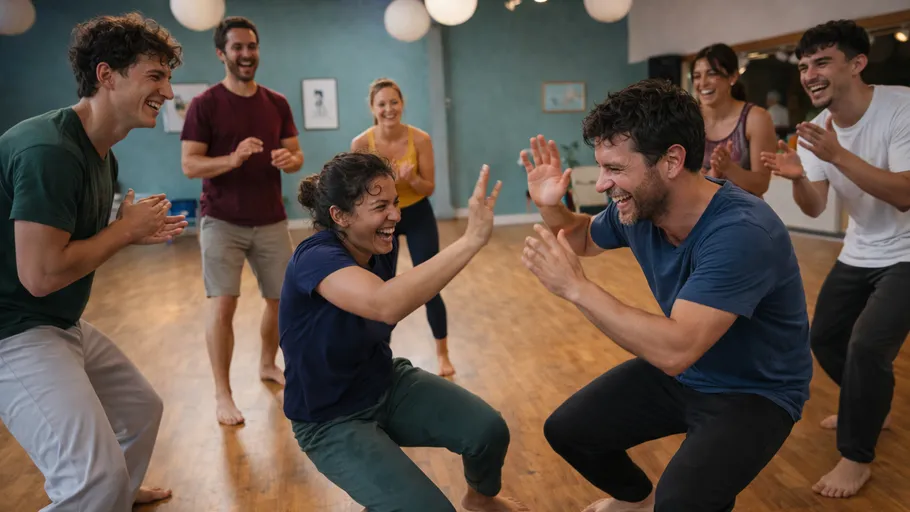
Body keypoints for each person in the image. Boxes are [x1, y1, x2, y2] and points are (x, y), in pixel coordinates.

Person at [522, 78, 813, 512]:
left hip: (755, 390)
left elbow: (677, 349)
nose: (602, 184)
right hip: (689, 373)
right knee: (569, 430)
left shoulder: (742, 232)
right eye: (602, 168)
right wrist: (549, 204)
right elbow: (581, 236)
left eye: (616, 169)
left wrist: (576, 288)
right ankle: (638, 502)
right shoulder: (638, 208)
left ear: (672, 160)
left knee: (681, 503)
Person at [0, 13, 186, 510]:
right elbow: (39, 276)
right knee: (93, 479)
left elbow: (67, 250)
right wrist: (124, 230)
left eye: (168, 78)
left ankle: (113, 495)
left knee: (142, 411)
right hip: (13, 329)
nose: (168, 93)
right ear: (106, 75)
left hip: (58, 320)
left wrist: (125, 235)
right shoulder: (50, 151)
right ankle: (100, 493)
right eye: (156, 76)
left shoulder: (103, 154)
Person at [278, 152, 528, 512]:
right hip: (329, 419)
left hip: (384, 384)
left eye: (395, 203)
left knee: (488, 431)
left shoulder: (375, 247)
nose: (396, 215)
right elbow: (384, 304)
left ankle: (480, 500)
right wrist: (470, 239)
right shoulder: (315, 258)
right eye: (381, 206)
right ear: (340, 216)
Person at [761, 19, 910, 500]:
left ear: (857, 63)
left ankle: (856, 455)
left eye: (822, 62)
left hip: (908, 252)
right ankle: (872, 403)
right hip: (861, 248)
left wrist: (837, 155)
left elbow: (905, 195)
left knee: (867, 347)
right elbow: (816, 207)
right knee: (824, 338)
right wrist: (798, 177)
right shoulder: (819, 127)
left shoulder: (901, 107)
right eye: (804, 66)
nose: (809, 74)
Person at [180, 16, 304, 426]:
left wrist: (291, 160)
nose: (246, 54)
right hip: (221, 221)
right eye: (237, 47)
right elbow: (190, 165)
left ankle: (268, 364)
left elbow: (297, 154)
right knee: (223, 305)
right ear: (221, 53)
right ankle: (222, 393)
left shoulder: (277, 103)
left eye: (251, 46)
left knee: (281, 301)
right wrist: (232, 159)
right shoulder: (205, 104)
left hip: (270, 218)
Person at [351, 78, 455, 377]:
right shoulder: (361, 144)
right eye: (381, 104)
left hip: (418, 212)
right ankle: (378, 358)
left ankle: (443, 354)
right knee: (382, 290)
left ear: (402, 103)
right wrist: (388, 184)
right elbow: (360, 193)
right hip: (383, 218)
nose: (388, 109)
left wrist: (411, 179)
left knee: (430, 285)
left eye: (393, 102)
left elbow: (430, 187)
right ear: (373, 108)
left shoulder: (419, 139)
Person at [691, 43, 778, 197]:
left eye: (712, 73)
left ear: (732, 77)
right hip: (699, 214)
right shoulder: (688, 118)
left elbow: (761, 184)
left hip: (744, 215)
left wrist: (728, 167)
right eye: (697, 76)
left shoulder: (756, 118)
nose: (702, 83)